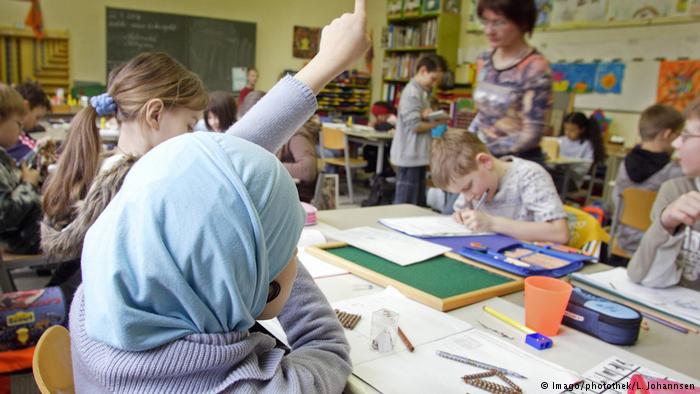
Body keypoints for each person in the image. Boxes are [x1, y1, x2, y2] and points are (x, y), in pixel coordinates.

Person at [40, 0, 371, 308]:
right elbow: (239, 146)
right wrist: (328, 61)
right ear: (154, 115)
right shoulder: (142, 182)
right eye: (187, 125)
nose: (193, 138)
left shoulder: (114, 168)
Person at [71, 132, 352, 392]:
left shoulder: (87, 304)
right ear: (246, 272)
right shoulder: (249, 387)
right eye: (290, 248)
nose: (296, 256)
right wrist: (269, 261)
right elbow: (327, 347)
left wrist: (261, 251)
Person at [431, 127, 568, 243]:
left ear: (485, 162)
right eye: (460, 192)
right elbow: (461, 214)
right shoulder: (472, 187)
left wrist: (492, 223)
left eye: (468, 187)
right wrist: (460, 217)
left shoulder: (529, 176)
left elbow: (560, 233)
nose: (467, 197)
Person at [627, 97, 700, 290]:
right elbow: (640, 276)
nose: (676, 144)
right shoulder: (676, 190)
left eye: (686, 136)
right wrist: (665, 223)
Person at [469, 0, 552, 163]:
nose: (489, 31)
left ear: (522, 22)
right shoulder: (485, 59)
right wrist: (466, 144)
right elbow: (482, 115)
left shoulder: (535, 67)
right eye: (485, 22)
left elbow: (532, 133)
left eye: (498, 23)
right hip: (483, 160)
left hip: (516, 163)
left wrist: (485, 150)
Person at [612, 104, 685, 262]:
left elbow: (615, 201)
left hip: (622, 242)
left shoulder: (625, 164)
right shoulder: (675, 172)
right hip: (656, 250)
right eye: (678, 135)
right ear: (667, 134)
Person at [390, 54, 448, 206]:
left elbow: (417, 117)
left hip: (417, 155)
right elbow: (414, 126)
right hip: (409, 154)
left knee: (416, 201)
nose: (433, 84)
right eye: (433, 79)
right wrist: (437, 123)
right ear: (423, 71)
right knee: (406, 203)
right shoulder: (412, 93)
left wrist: (427, 114)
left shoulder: (423, 92)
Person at [0, 84, 42, 254]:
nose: (20, 133)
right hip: (20, 239)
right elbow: (5, 216)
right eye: (18, 124)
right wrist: (28, 185)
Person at [554, 112, 606, 191]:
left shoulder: (587, 145)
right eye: (566, 129)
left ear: (582, 129)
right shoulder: (560, 140)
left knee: (553, 185)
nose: (567, 133)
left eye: (572, 130)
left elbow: (584, 168)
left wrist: (568, 168)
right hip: (557, 175)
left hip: (572, 181)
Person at [277, 115, 320, 202]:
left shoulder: (297, 137)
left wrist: (273, 166)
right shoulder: (284, 134)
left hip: (298, 197)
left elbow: (307, 170)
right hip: (288, 193)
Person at [6, 81, 51, 164]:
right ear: (25, 107)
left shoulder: (22, 133)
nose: (37, 123)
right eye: (37, 117)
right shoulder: (10, 135)